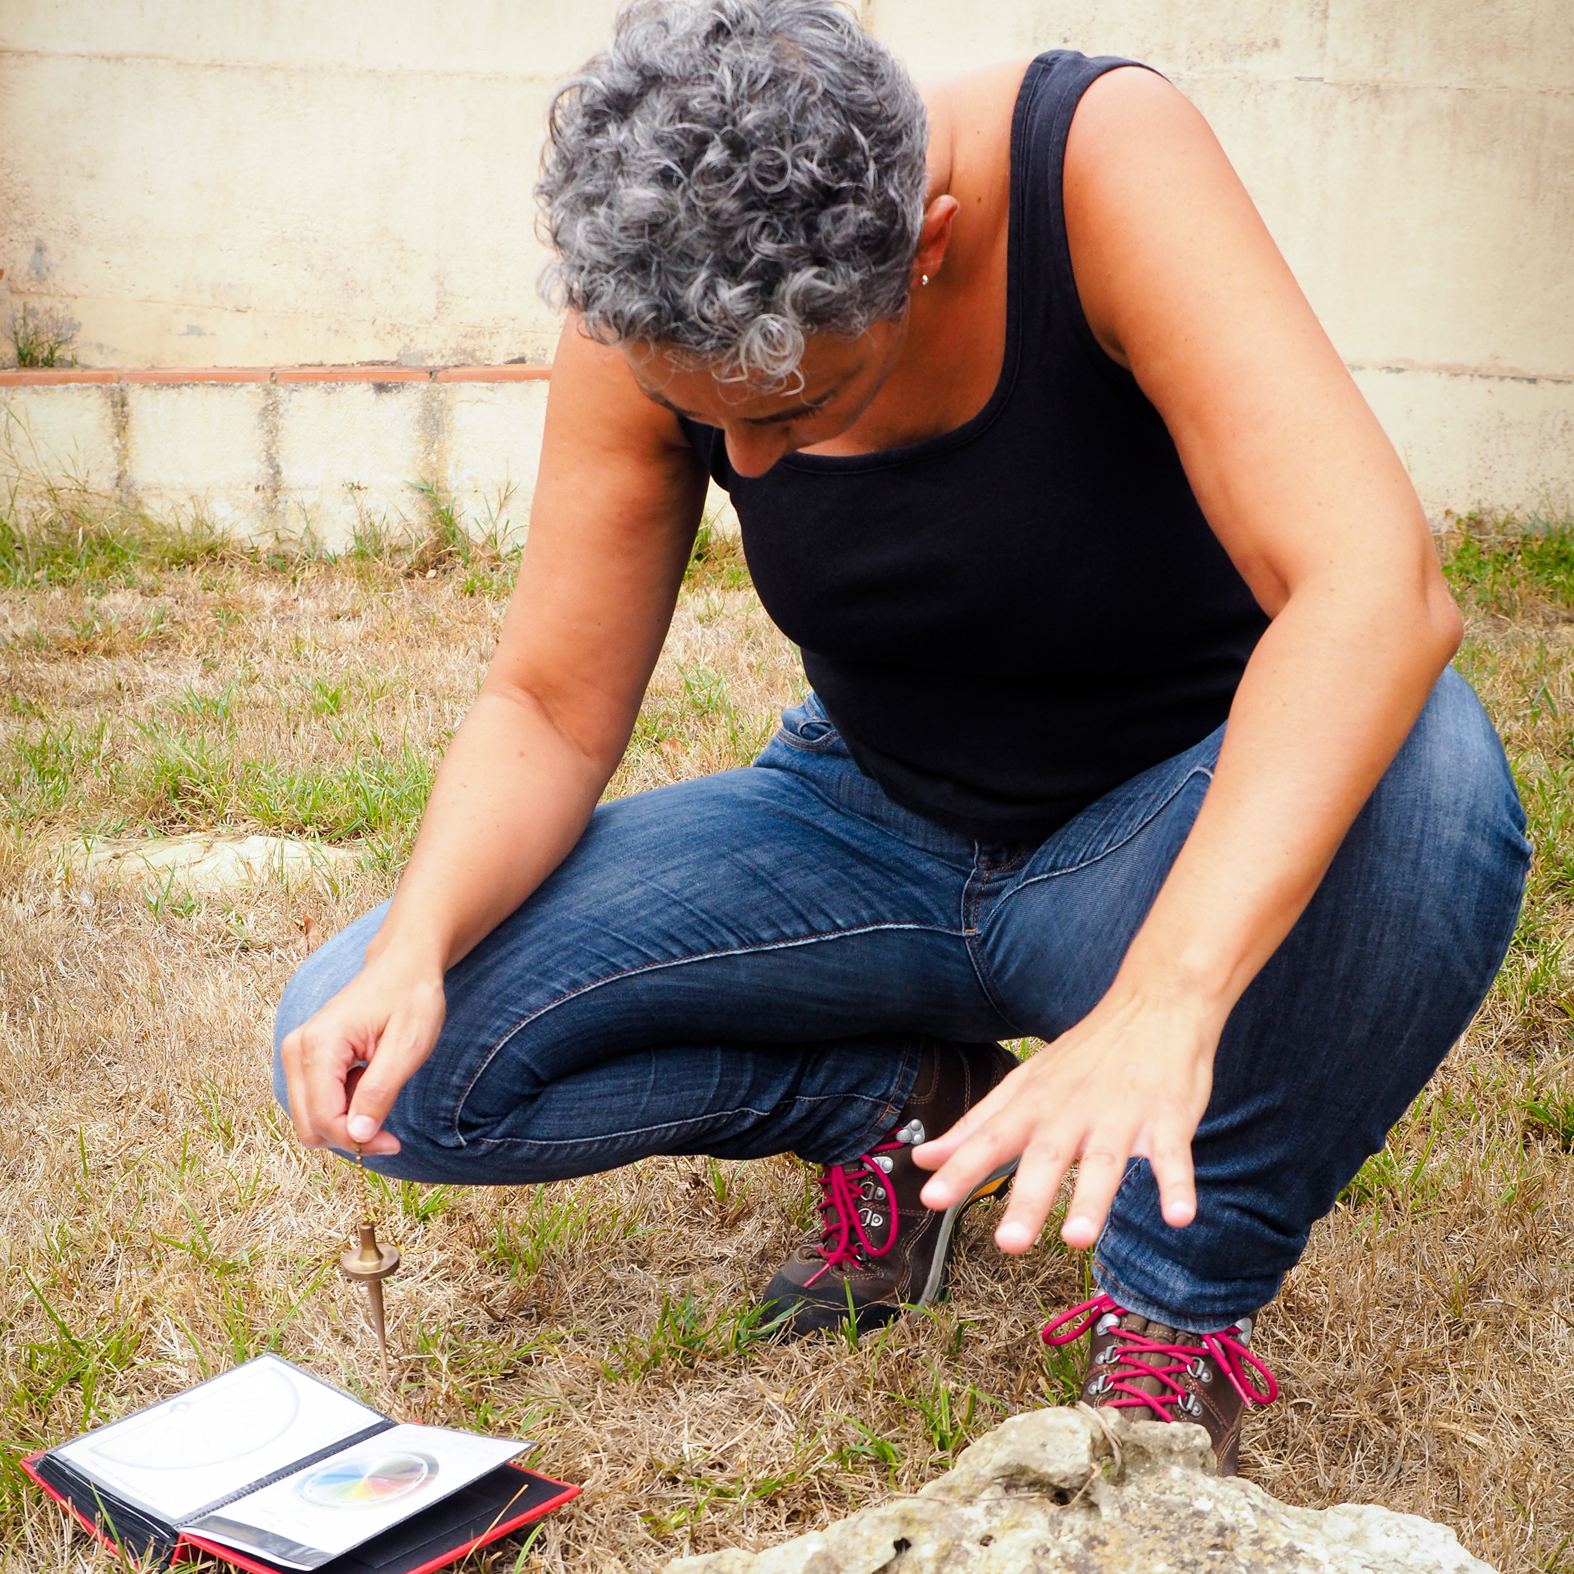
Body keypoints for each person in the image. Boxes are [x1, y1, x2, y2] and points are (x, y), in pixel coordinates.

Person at [275, 0, 1529, 1475]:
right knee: (384, 1053)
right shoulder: (654, 275)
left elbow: (1372, 588)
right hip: (860, 818)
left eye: (795, 410)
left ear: (925, 243)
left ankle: (1173, 1316)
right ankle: (904, 1102)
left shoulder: (1095, 164)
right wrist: (417, 944)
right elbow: (548, 705)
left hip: (1151, 835)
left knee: (1429, 770)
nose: (743, 467)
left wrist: (1164, 997)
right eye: (707, 420)